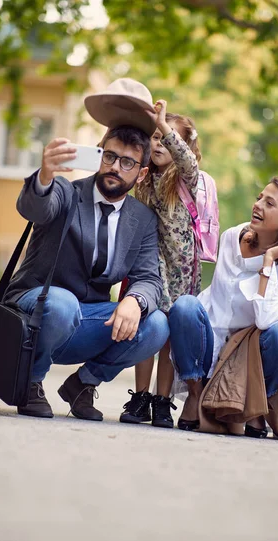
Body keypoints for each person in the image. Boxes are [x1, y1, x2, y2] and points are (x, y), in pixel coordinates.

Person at [4, 122, 169, 419]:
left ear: (142, 173)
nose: (115, 167)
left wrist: (135, 300)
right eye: (109, 156)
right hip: (35, 311)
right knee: (64, 304)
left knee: (157, 324)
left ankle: (82, 384)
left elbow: (149, 278)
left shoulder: (142, 219)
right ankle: (30, 381)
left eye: (127, 161)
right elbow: (34, 208)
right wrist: (45, 175)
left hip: (86, 322)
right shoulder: (68, 192)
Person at [168, 176, 278, 434]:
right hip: (210, 341)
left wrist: (269, 261)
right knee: (184, 307)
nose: (258, 205)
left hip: (250, 355)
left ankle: (256, 404)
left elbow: (266, 320)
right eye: (259, 198)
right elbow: (220, 302)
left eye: (269, 203)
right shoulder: (231, 237)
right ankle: (195, 394)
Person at [119, 99, 202, 429]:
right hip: (148, 270)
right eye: (153, 136)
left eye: (165, 137)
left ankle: (162, 401)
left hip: (180, 274)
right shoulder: (142, 177)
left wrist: (164, 125)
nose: (158, 142)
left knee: (169, 340)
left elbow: (185, 159)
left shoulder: (186, 179)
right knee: (149, 332)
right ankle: (140, 397)